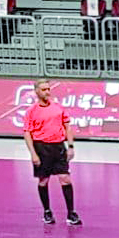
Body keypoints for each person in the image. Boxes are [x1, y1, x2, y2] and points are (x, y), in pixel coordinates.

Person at [23, 79, 81, 226]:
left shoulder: (58, 107)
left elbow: (67, 127)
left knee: (65, 179)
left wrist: (71, 146)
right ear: (37, 92)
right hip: (41, 148)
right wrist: (33, 154)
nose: (47, 92)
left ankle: (71, 214)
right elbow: (27, 133)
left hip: (58, 147)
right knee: (44, 181)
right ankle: (47, 212)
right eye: (43, 89)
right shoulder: (31, 111)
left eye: (48, 89)